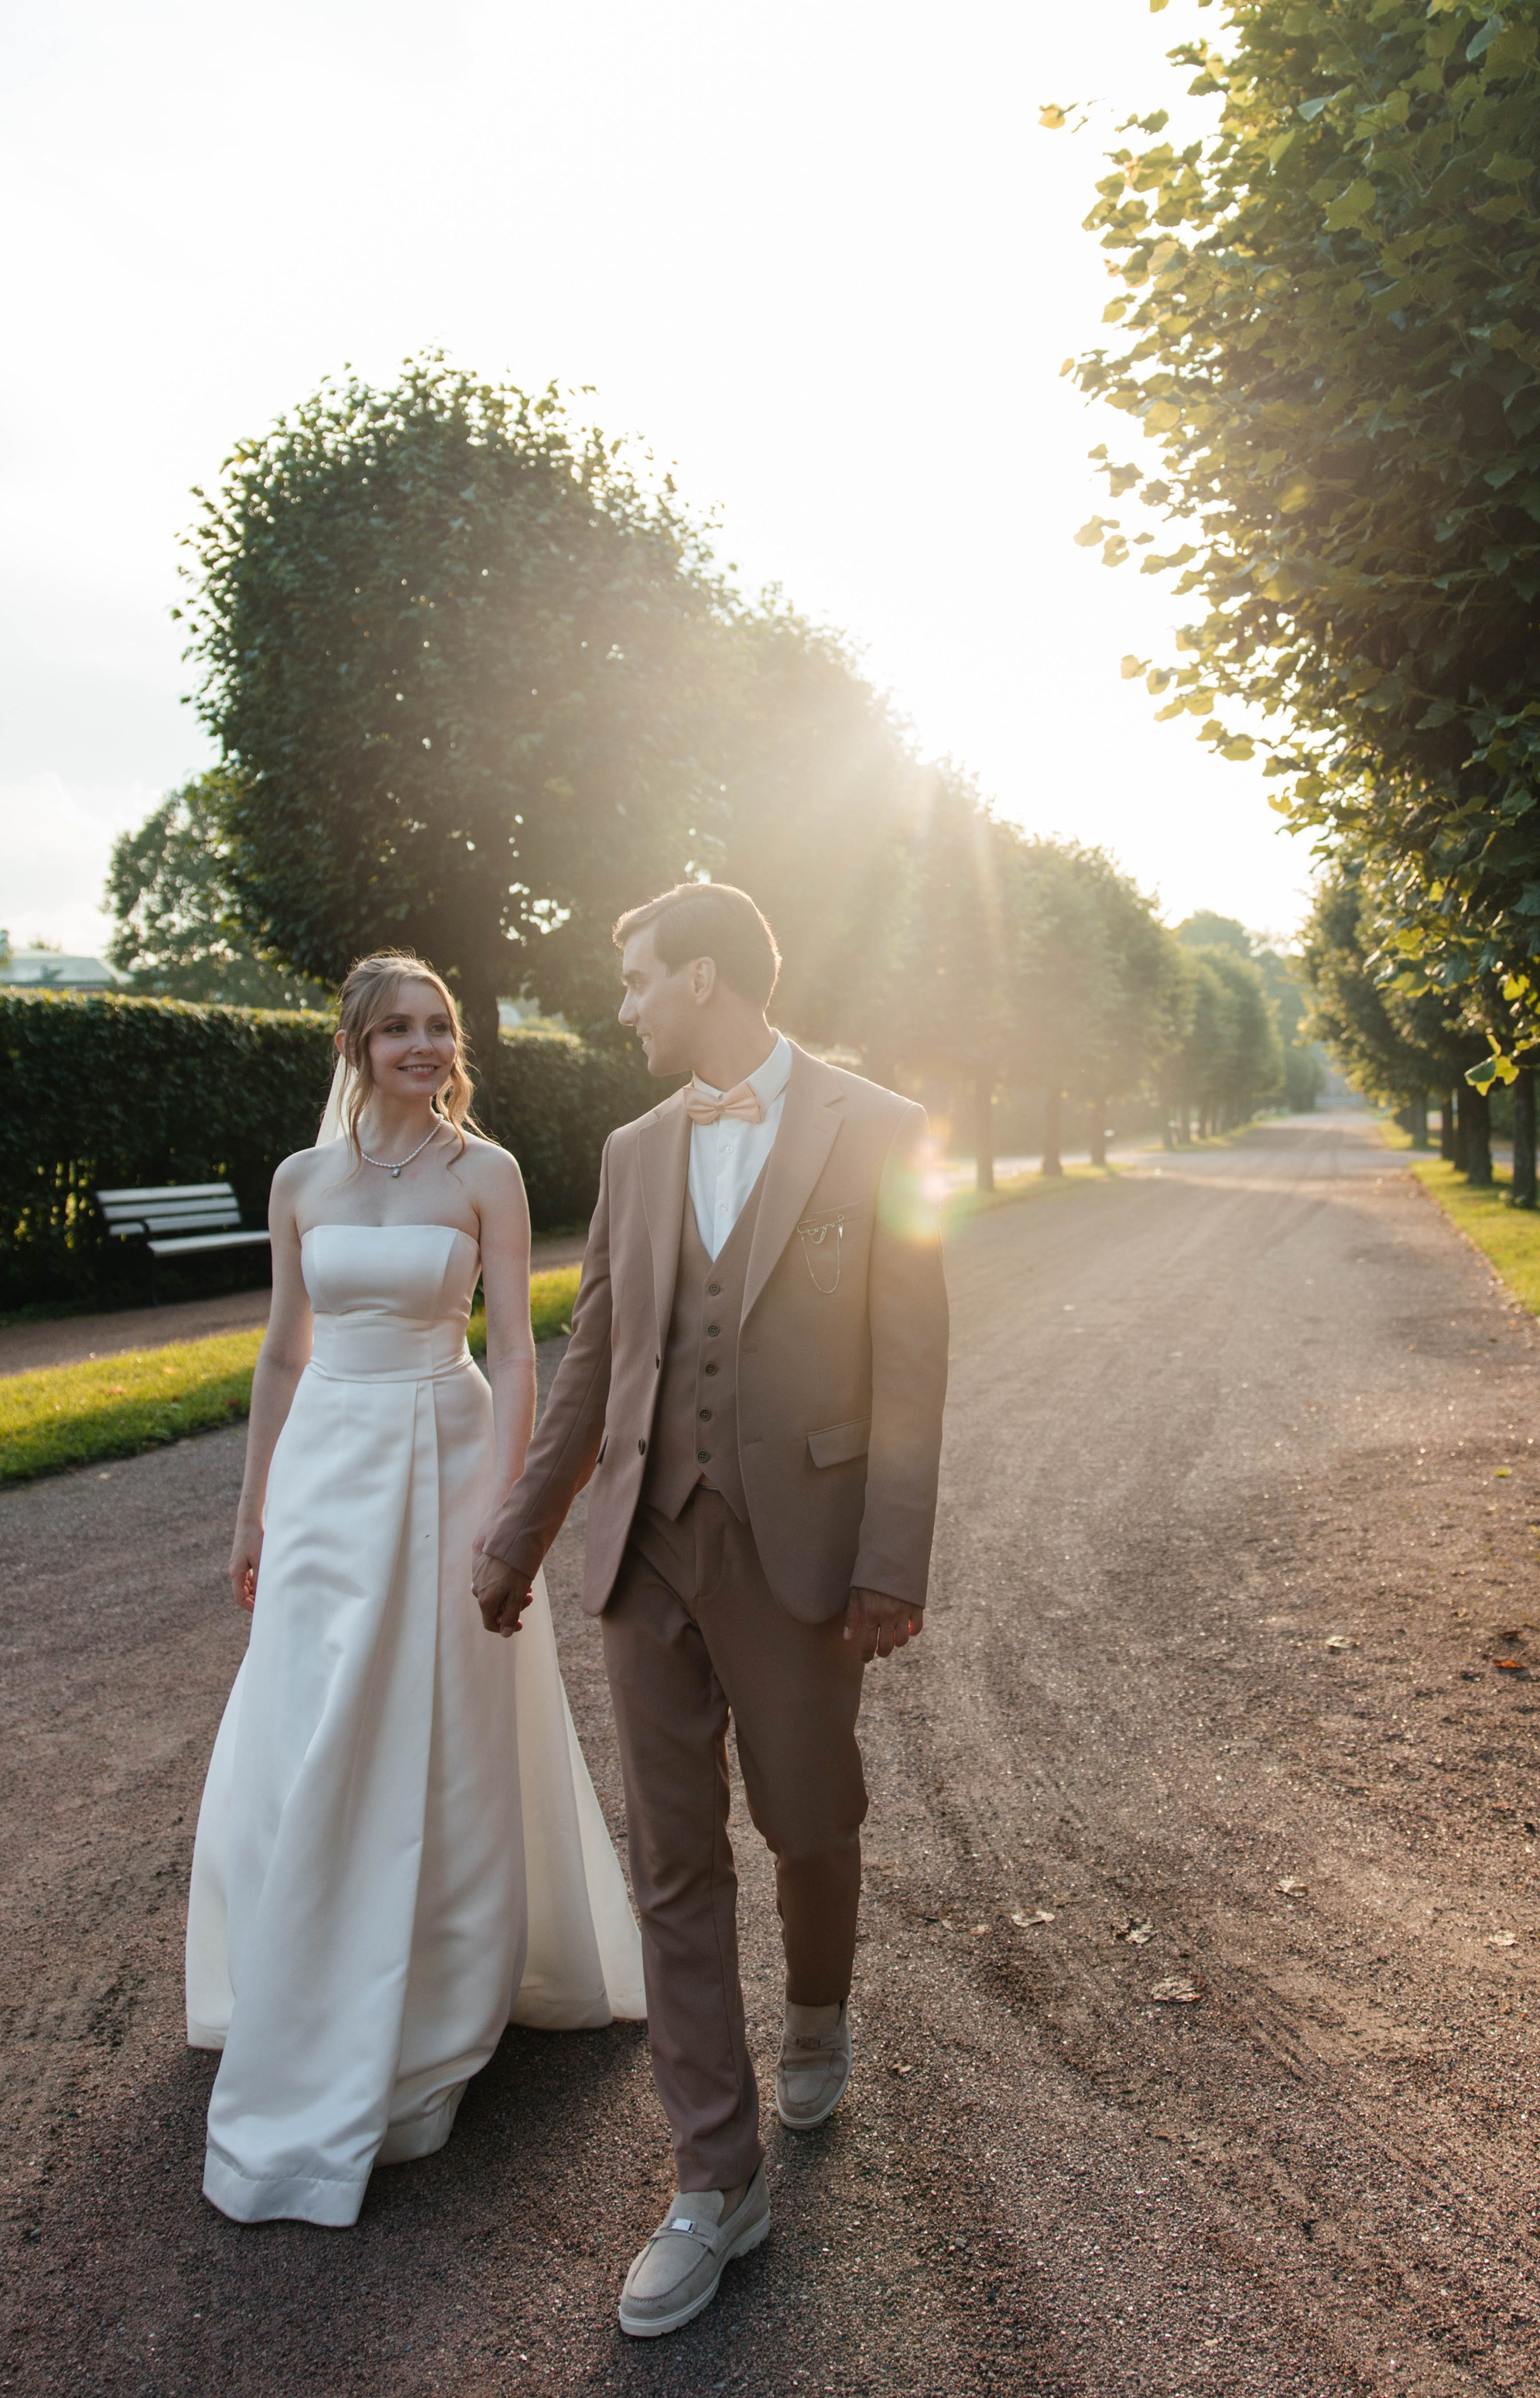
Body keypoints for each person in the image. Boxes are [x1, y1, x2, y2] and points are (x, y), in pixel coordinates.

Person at [473, 884, 948, 2339]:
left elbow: (915, 1360)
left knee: (809, 1824)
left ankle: (819, 2010)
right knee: (673, 1864)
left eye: (633, 979)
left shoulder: (885, 1127)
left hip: (800, 1551)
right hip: (645, 1554)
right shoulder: (631, 1150)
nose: (621, 1007)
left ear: (701, 976)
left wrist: (893, 1562)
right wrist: (519, 1533)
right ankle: (712, 2183)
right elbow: (600, 1349)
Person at [187, 951, 644, 2228]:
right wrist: (252, 1504)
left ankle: (440, 1979)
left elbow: (514, 1343)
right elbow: (284, 1348)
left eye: (438, 1027)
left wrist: (514, 1512)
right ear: (354, 1047)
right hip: (328, 1459)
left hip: (445, 1447)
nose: (426, 1046)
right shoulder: (301, 1181)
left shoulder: (484, 1173)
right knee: (317, 1703)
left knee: (438, 1703)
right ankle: (305, 1955)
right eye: (398, 1029)